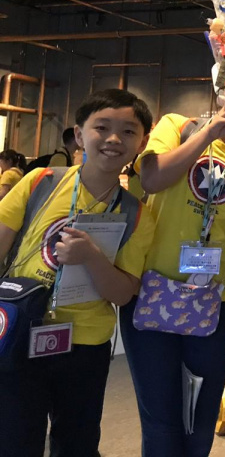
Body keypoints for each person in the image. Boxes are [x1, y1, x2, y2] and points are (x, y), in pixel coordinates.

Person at [120, 58, 225, 457]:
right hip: (150, 293)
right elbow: (153, 178)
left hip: (213, 303)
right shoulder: (176, 127)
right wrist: (210, 132)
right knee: (160, 419)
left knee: (199, 420)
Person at [0, 89, 154, 457]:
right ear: (79, 135)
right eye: (102, 127)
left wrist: (91, 257)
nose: (114, 139)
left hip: (85, 343)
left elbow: (123, 293)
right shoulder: (41, 182)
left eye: (128, 131)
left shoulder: (138, 215)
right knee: (14, 439)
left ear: (143, 143)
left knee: (78, 443)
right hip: (19, 329)